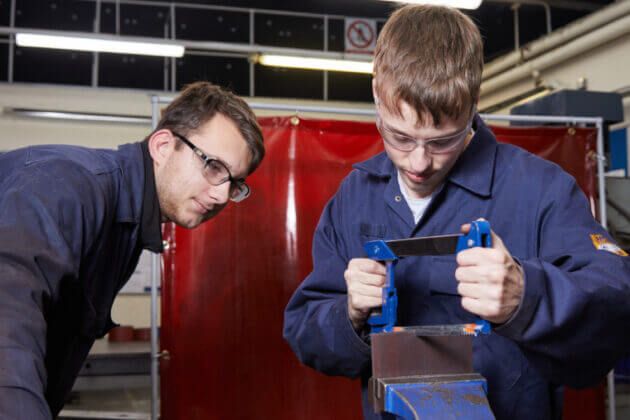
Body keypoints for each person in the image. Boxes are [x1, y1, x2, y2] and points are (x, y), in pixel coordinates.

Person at [283, 5, 630, 420]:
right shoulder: (355, 197)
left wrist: (529, 296)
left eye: (442, 141)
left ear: (474, 102)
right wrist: (350, 314)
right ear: (377, 92)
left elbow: (615, 310)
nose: (418, 162)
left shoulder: (542, 190)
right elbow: (306, 332)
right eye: (399, 136)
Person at [0, 81, 265, 418]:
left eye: (235, 183)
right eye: (214, 167)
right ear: (163, 146)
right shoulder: (68, 184)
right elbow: (7, 310)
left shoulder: (127, 224)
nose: (222, 196)